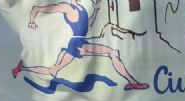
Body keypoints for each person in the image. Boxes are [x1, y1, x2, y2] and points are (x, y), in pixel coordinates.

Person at [12, 0, 148, 91]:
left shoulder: (81, 8)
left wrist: (96, 11)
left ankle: (22, 68)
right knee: (112, 53)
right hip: (77, 43)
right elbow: (36, 8)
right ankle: (132, 82)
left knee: (52, 71)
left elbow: (88, 24)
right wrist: (31, 21)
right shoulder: (67, 7)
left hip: (80, 42)